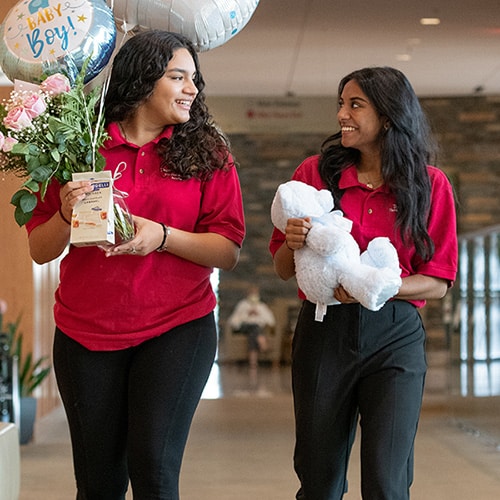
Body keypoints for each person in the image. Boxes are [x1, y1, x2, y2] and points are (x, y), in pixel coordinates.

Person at [25, 30, 245, 499]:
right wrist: (65, 213)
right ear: (143, 79)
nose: (192, 89)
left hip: (176, 327)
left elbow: (226, 249)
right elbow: (40, 250)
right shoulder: (79, 145)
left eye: (194, 79)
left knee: (155, 469)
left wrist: (161, 237)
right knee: (99, 484)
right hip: (86, 332)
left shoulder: (209, 153)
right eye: (178, 76)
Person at [270, 67, 457, 499]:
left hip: (395, 336)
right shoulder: (313, 174)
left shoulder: (430, 184)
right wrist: (292, 243)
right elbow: (282, 267)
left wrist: (375, 285)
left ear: (388, 116)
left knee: (387, 481)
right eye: (341, 104)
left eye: (355, 105)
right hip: (323, 332)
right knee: (318, 479)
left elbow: (438, 281)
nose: (342, 115)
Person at [228, 285, 276, 368]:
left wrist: (258, 314)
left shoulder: (262, 306)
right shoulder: (242, 304)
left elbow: (271, 321)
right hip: (244, 327)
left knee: (253, 332)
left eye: (255, 293)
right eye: (252, 293)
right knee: (254, 328)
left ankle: (253, 361)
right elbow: (234, 320)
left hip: (257, 328)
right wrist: (247, 314)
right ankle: (263, 343)